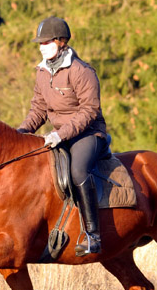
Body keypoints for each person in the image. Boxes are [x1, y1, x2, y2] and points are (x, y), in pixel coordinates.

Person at [17, 16, 110, 256]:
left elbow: (89, 110)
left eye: (46, 42)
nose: (41, 46)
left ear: (61, 42)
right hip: (59, 135)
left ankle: (93, 236)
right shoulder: (41, 72)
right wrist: (20, 133)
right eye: (39, 43)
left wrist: (61, 133)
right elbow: (38, 109)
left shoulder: (81, 71)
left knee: (78, 171)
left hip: (88, 133)